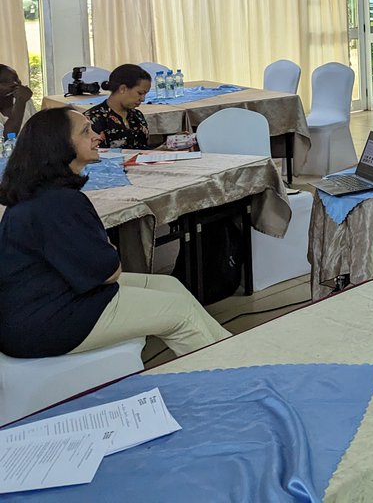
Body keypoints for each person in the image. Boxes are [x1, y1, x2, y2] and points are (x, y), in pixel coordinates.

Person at [0, 108, 230, 359]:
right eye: (86, 131)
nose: (98, 136)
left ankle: (240, 357)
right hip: (43, 321)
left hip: (47, 298)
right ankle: (229, 380)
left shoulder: (42, 192)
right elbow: (108, 272)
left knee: (170, 285)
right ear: (58, 145)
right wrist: (107, 250)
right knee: (179, 314)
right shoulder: (59, 201)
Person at [86, 63, 153, 150]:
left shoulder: (137, 116)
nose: (143, 99)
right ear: (123, 89)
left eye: (145, 94)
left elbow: (143, 149)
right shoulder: (93, 119)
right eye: (140, 93)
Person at [0, 64, 36, 137]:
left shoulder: (25, 100)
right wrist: (20, 102)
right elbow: (7, 137)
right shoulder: (22, 99)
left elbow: (37, 126)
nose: (15, 83)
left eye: (16, 78)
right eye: (6, 81)